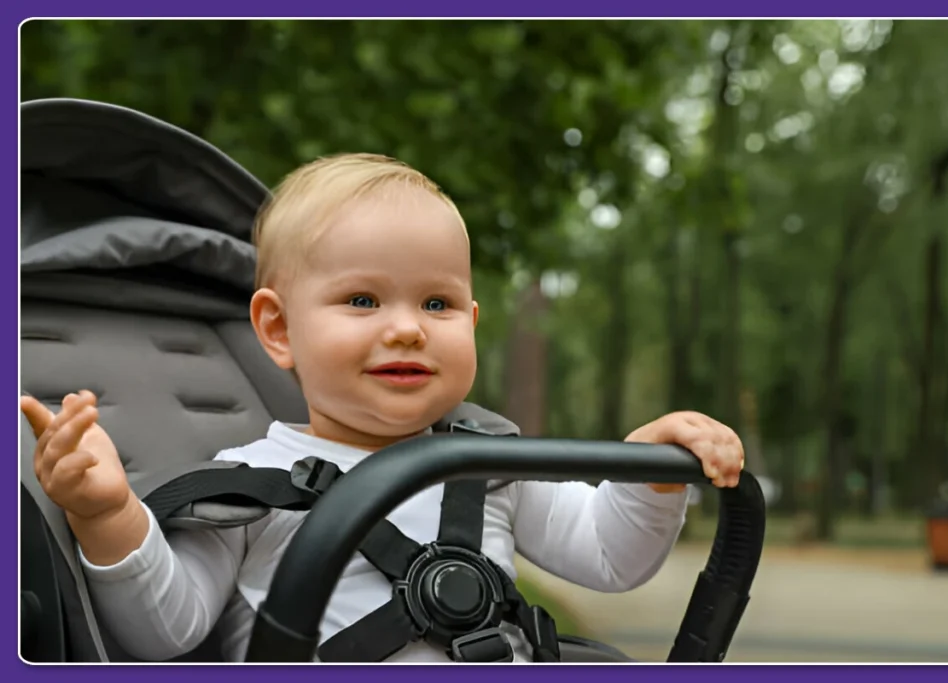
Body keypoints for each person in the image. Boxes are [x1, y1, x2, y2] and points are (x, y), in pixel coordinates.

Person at [20, 153, 745, 663]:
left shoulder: (489, 467)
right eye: (363, 300)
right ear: (278, 329)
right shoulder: (250, 485)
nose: (407, 326)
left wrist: (651, 472)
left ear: (472, 319)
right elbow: (165, 633)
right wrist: (106, 513)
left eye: (438, 302)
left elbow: (612, 558)